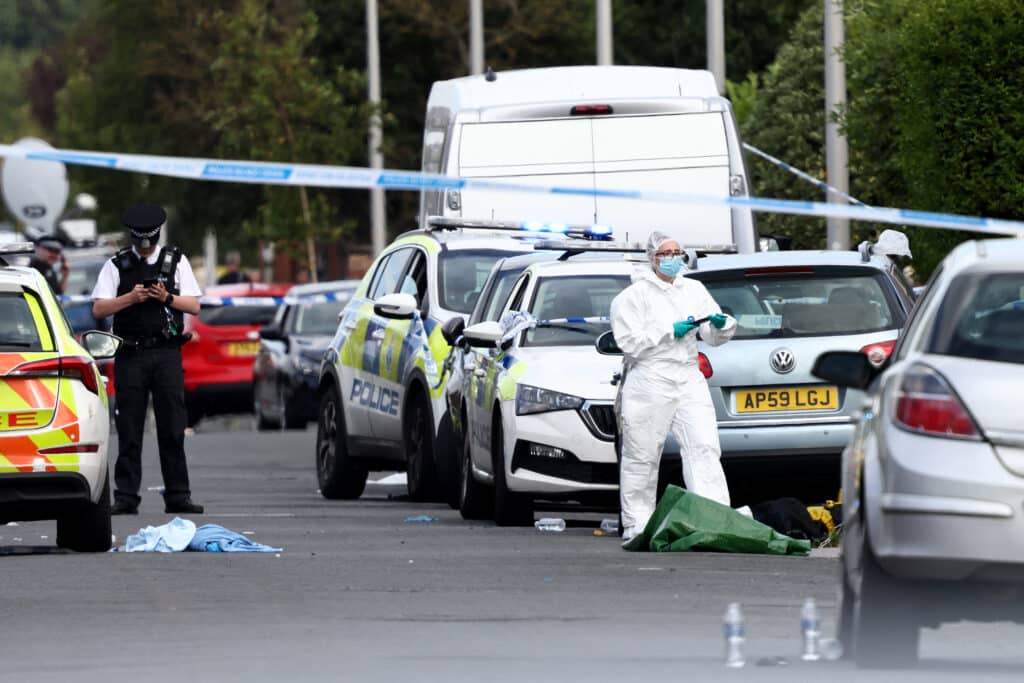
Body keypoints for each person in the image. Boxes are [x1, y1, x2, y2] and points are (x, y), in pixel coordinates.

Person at [609, 231, 740, 543]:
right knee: (642, 453)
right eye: (665, 253)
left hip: (688, 374)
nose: (672, 259)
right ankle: (637, 526)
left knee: (704, 447)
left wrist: (722, 326)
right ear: (652, 258)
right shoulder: (633, 297)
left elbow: (712, 333)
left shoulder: (692, 289)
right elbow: (629, 343)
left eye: (677, 252)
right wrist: (669, 332)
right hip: (651, 377)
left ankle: (714, 520)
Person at [91, 204, 205, 515]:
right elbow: (99, 309)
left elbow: (194, 306)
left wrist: (165, 297)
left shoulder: (176, 262)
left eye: (149, 244)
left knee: (172, 426)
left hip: (167, 353)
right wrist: (131, 298)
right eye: (141, 244)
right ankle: (126, 496)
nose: (145, 250)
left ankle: (178, 495)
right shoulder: (117, 265)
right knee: (129, 428)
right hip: (131, 354)